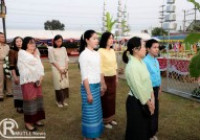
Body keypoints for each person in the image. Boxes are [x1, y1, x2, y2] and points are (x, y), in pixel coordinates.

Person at [123, 37, 155, 140]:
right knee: (136, 131)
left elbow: (148, 82)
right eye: (144, 46)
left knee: (143, 128)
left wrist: (152, 97)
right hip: (136, 102)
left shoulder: (141, 62)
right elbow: (138, 88)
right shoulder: (132, 66)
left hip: (145, 100)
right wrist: (149, 104)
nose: (145, 49)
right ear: (135, 49)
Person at [79, 30, 105, 140]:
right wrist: (89, 93)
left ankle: (95, 135)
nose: (97, 40)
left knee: (96, 113)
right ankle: (88, 136)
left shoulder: (96, 53)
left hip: (96, 86)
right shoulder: (84, 55)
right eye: (94, 38)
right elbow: (84, 76)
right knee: (89, 114)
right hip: (88, 88)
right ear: (87, 40)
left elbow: (99, 70)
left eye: (97, 38)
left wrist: (102, 84)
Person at [18, 37, 45, 131]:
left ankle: (36, 119)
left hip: (37, 80)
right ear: (25, 44)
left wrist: (40, 78)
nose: (33, 45)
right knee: (29, 101)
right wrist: (36, 55)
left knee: (37, 100)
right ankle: (28, 123)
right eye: (30, 43)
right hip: (28, 81)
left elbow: (41, 67)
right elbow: (34, 63)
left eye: (34, 43)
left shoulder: (35, 54)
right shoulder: (22, 53)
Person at [98, 32, 118, 129]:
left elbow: (115, 65)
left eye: (112, 38)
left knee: (112, 99)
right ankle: (105, 121)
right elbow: (100, 68)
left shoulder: (112, 51)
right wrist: (102, 82)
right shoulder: (100, 51)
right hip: (105, 78)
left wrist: (116, 78)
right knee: (105, 99)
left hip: (113, 77)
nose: (111, 40)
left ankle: (111, 118)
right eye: (109, 38)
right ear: (105, 39)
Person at [143, 39, 161, 140]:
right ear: (148, 49)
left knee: (155, 111)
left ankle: (153, 132)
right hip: (149, 90)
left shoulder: (155, 60)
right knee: (150, 110)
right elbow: (145, 79)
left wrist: (160, 87)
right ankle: (148, 133)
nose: (157, 49)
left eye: (158, 47)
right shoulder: (145, 61)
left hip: (156, 89)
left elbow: (158, 74)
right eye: (154, 47)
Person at [48, 35, 69, 108]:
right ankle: (58, 101)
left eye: (61, 41)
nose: (59, 43)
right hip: (56, 69)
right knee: (58, 85)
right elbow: (52, 61)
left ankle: (63, 100)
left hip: (64, 69)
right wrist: (59, 69)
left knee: (64, 85)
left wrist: (66, 68)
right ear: (54, 41)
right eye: (58, 41)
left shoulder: (64, 48)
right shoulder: (51, 49)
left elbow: (66, 58)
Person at [9, 36, 24, 113]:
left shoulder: (25, 50)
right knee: (18, 91)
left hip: (25, 74)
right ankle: (19, 107)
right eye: (17, 41)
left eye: (20, 41)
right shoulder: (12, 51)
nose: (19, 43)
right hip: (17, 74)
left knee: (24, 91)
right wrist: (14, 76)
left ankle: (24, 105)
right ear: (14, 43)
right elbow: (11, 65)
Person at [0, 32, 12, 101]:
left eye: (3, 37)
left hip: (7, 63)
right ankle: (0, 95)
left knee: (8, 78)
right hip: (0, 64)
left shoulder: (7, 46)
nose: (3, 38)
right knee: (0, 79)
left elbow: (9, 54)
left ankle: (9, 92)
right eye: (1, 37)